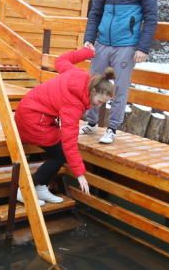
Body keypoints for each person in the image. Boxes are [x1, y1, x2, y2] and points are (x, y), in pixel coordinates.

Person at [14, 46, 115, 205]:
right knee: (60, 154)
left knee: (59, 151)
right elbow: (69, 143)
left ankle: (40, 187)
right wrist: (80, 173)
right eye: (99, 101)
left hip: (35, 113)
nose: (98, 106)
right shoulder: (73, 105)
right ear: (93, 90)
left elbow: (61, 61)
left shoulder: (79, 76)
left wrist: (86, 52)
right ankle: (25, 190)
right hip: (32, 120)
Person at [82, 0, 159, 144]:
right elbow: (95, 12)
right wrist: (89, 39)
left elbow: (151, 16)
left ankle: (113, 128)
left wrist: (143, 47)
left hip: (126, 44)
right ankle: (91, 122)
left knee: (120, 87)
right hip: (103, 42)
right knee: (93, 82)